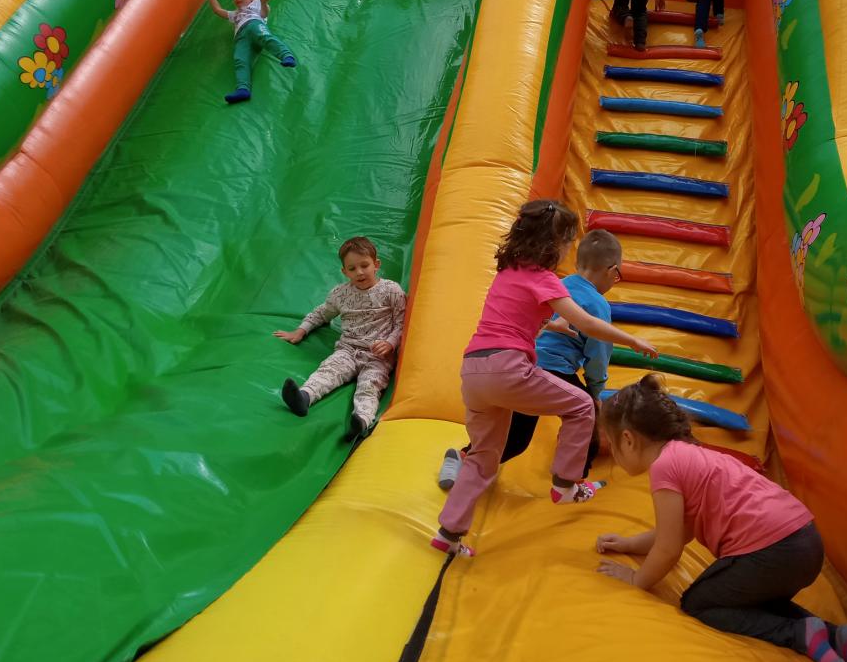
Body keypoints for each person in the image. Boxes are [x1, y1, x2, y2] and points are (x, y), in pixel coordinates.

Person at [595, 376, 847, 662]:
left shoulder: (664, 467)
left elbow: (669, 549)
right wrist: (628, 544)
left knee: (699, 602)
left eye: (613, 447)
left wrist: (636, 579)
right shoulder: (690, 454)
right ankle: (840, 637)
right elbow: (678, 534)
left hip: (772, 550)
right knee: (747, 599)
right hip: (805, 542)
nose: (614, 458)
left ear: (628, 439)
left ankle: (799, 634)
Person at [432, 200, 658, 558]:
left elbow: (510, 318)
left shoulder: (508, 273)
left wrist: (551, 326)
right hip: (507, 369)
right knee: (582, 405)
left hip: (473, 371)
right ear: (554, 244)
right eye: (567, 243)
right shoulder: (545, 279)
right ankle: (565, 485)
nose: (568, 251)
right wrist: (632, 340)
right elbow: (587, 323)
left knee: (483, 459)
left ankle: (449, 534)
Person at [437, 229, 624, 489]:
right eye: (618, 275)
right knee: (587, 411)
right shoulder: (598, 305)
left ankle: (464, 457)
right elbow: (598, 352)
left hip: (523, 363)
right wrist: (595, 388)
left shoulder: (559, 284)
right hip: (554, 368)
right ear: (611, 271)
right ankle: (572, 480)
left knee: (517, 438)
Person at [277, 237, 406, 440]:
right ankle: (304, 397)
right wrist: (301, 330)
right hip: (348, 350)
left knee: (369, 386)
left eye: (365, 265)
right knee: (329, 371)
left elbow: (401, 322)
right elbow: (322, 313)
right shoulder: (341, 294)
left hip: (378, 356)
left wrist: (390, 343)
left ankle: (361, 420)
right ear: (344, 272)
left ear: (376, 264)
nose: (359, 272)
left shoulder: (391, 290)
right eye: (352, 268)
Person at [206, 0, 297, 105]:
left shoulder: (256, 4)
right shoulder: (235, 14)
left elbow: (264, 14)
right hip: (240, 37)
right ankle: (243, 89)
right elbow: (217, 10)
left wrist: (263, 2)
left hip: (254, 24)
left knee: (266, 38)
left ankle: (286, 55)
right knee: (240, 59)